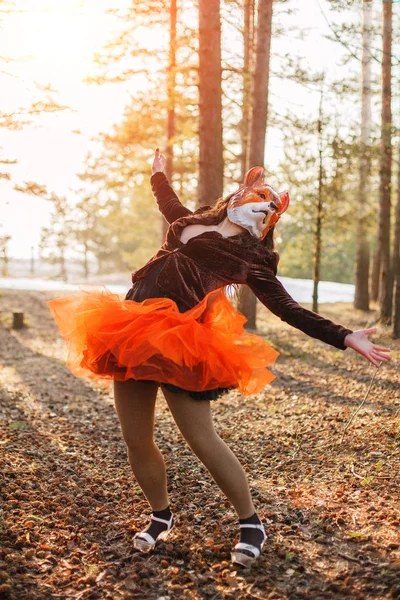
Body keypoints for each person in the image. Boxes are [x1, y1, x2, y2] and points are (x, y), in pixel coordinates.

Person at [48, 149, 391, 568]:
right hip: (132, 330)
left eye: (269, 204)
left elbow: (287, 308)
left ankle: (251, 523)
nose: (261, 203)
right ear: (236, 196)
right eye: (256, 193)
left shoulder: (252, 258)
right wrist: (159, 176)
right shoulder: (193, 223)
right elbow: (169, 205)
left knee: (201, 439)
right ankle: (160, 515)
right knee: (136, 439)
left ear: (270, 221)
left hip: (184, 345)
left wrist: (343, 335)